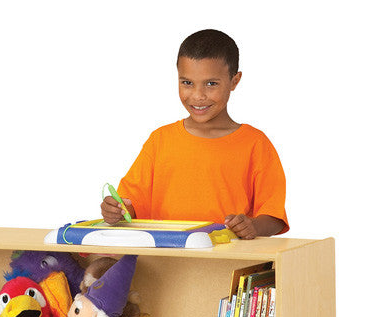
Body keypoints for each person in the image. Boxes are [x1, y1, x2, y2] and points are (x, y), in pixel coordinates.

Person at [101, 29, 288, 239]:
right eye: (187, 83)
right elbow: (130, 205)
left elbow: (274, 217)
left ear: (234, 81)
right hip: (164, 254)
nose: (198, 96)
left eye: (211, 84)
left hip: (228, 254)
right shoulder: (160, 140)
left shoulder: (255, 143)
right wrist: (116, 211)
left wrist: (253, 226)